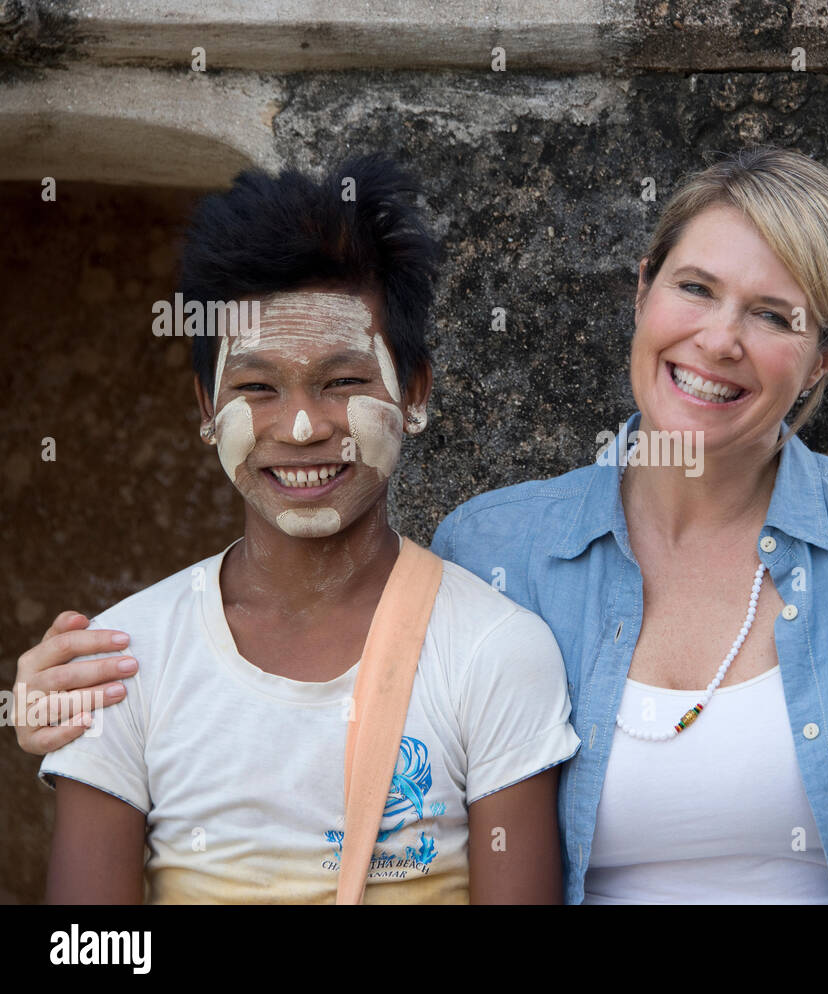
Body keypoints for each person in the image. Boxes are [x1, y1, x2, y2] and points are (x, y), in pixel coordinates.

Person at [16, 147, 828, 904]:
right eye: (694, 286)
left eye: (775, 314)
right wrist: (46, 694)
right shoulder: (497, 553)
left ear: (826, 354)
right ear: (642, 293)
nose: (720, 338)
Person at [35, 156, 579, 904]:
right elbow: (86, 950)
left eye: (343, 381)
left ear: (413, 392)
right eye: (256, 388)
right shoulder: (124, 661)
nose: (300, 426)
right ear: (205, 408)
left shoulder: (493, 650)